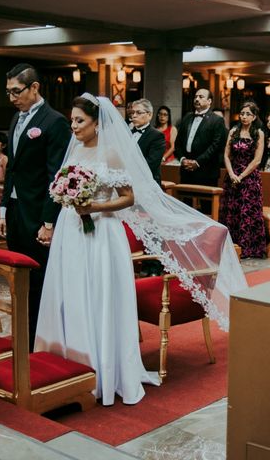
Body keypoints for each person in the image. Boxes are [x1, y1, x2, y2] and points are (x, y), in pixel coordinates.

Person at [35, 93, 247, 405]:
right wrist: (65, 200)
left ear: (98, 122)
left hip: (101, 232)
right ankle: (70, 360)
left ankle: (104, 367)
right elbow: (62, 186)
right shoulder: (76, 148)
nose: (74, 127)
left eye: (80, 121)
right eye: (72, 121)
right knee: (72, 292)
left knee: (99, 294)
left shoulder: (112, 154)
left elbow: (128, 197)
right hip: (72, 229)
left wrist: (93, 205)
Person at [0, 63, 72, 351]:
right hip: (16, 210)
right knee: (17, 276)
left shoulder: (54, 122)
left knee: (39, 278)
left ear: (35, 87)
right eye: (8, 92)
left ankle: (37, 341)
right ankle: (22, 334)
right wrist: (4, 209)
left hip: (38, 214)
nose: (12, 98)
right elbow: (12, 170)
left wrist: (48, 222)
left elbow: (57, 176)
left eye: (16, 91)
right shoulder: (16, 119)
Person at [220, 101, 266, 258]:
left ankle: (248, 248)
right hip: (232, 175)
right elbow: (226, 155)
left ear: (254, 117)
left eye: (248, 114)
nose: (244, 117)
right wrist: (232, 174)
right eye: (242, 114)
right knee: (230, 211)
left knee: (247, 213)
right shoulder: (233, 131)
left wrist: (241, 176)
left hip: (249, 178)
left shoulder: (258, 133)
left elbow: (257, 160)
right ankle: (229, 245)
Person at [174, 89, 227, 187]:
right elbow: (178, 143)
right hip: (186, 170)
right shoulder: (187, 117)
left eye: (201, 97)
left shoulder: (217, 120)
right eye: (195, 97)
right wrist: (182, 159)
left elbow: (216, 146)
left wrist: (197, 162)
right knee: (185, 201)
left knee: (205, 201)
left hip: (207, 171)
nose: (197, 99)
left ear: (209, 101)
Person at [130, 98, 165, 185]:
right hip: (128, 181)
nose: (134, 116)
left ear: (149, 115)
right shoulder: (128, 133)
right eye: (132, 112)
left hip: (147, 182)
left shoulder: (157, 136)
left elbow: (151, 164)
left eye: (138, 112)